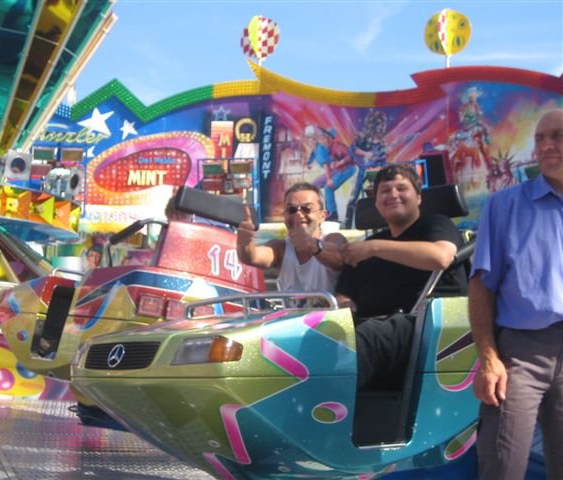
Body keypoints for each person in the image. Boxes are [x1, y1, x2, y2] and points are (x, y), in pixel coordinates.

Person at [468, 109, 563, 480]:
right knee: (502, 467)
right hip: (520, 354)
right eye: (540, 138)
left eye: (557, 136)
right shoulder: (504, 205)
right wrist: (489, 358)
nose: (546, 145)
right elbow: (481, 286)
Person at [336, 163, 467, 387]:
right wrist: (346, 309)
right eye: (385, 191)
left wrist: (375, 248)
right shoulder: (367, 246)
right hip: (372, 328)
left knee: (367, 337)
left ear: (418, 197)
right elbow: (344, 293)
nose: (393, 195)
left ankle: (327, 401)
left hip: (424, 327)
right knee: (321, 339)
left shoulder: (436, 225)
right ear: (376, 202)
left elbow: (441, 257)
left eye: (401, 188)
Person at [236, 182, 345, 294]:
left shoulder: (333, 238)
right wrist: (245, 242)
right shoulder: (281, 248)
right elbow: (252, 257)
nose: (298, 214)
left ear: (322, 215)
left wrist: (312, 244)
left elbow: (339, 259)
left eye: (306, 209)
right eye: (292, 210)